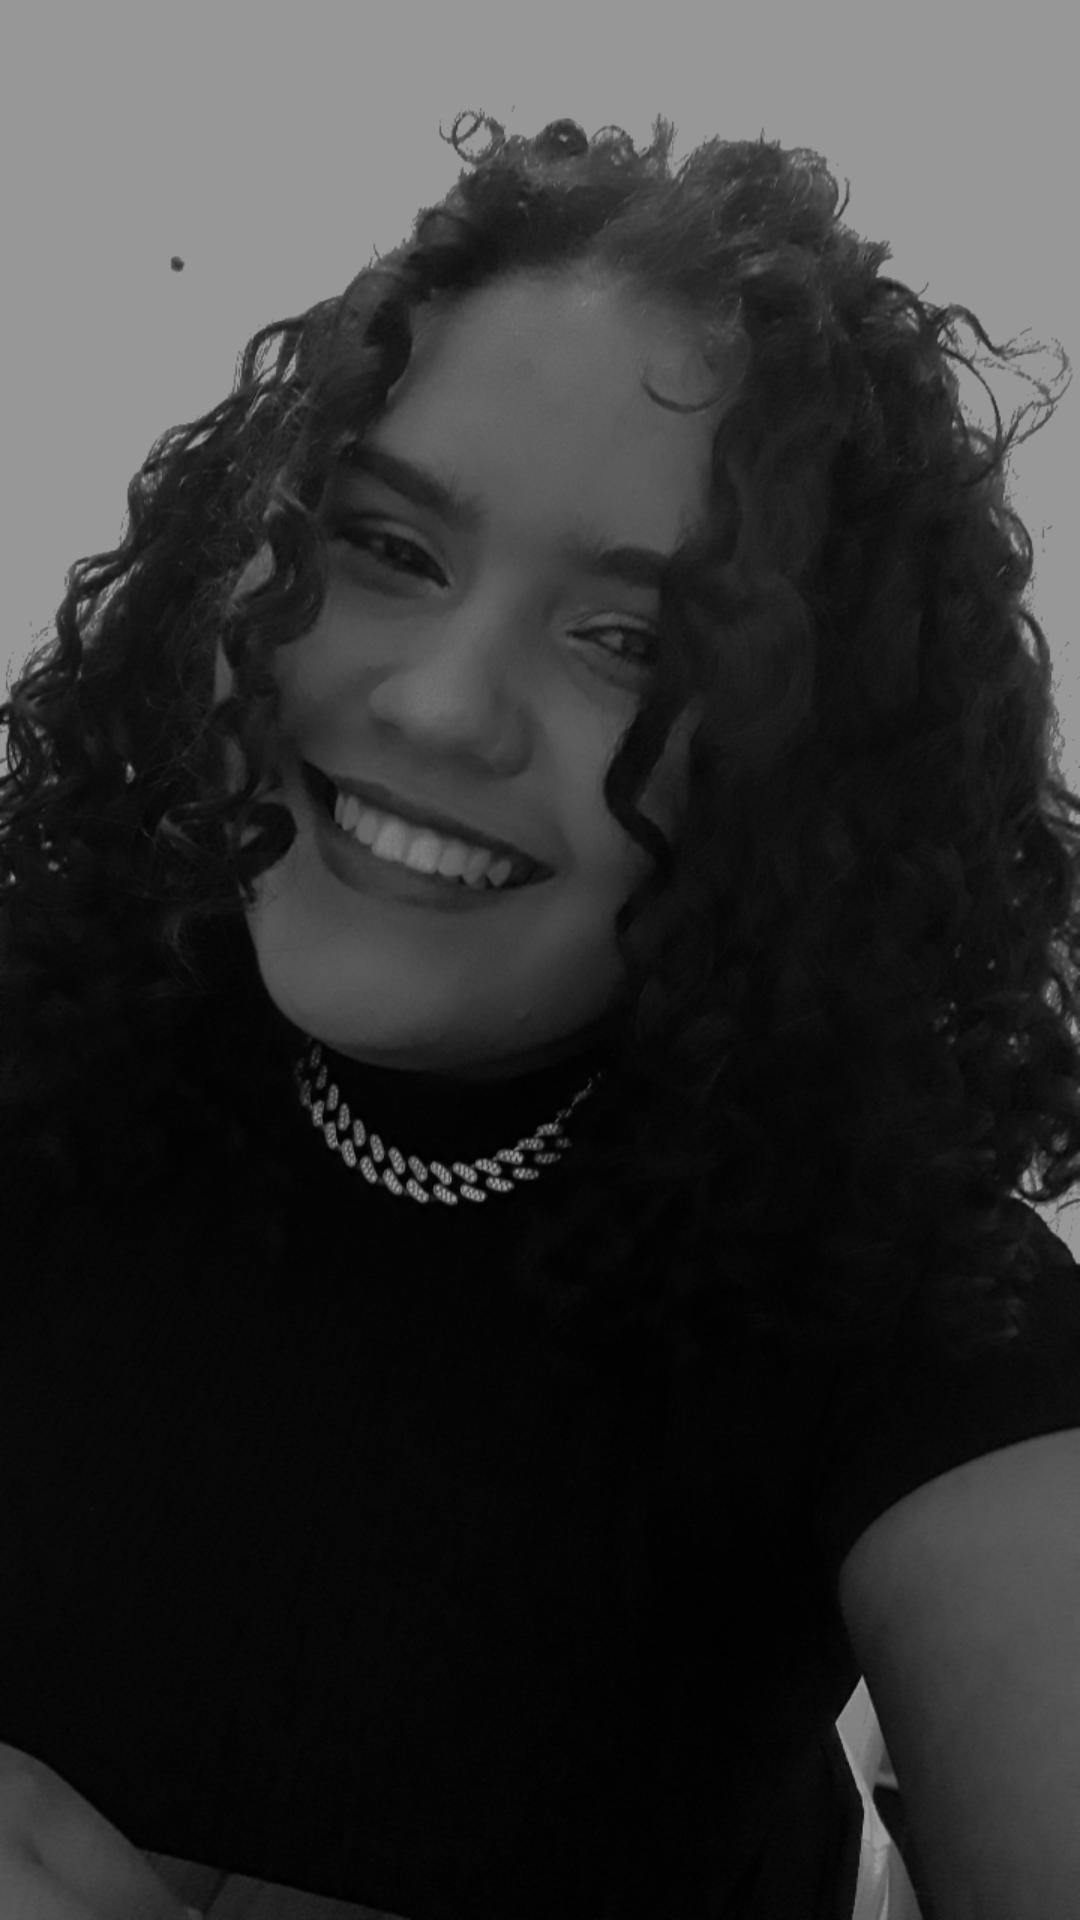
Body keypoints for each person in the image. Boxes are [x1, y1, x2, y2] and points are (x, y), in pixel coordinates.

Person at [1, 107, 1078, 1920]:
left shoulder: (913, 1313)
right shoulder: (43, 1048)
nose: (439, 707)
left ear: (807, 770)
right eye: (388, 546)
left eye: (633, 645)